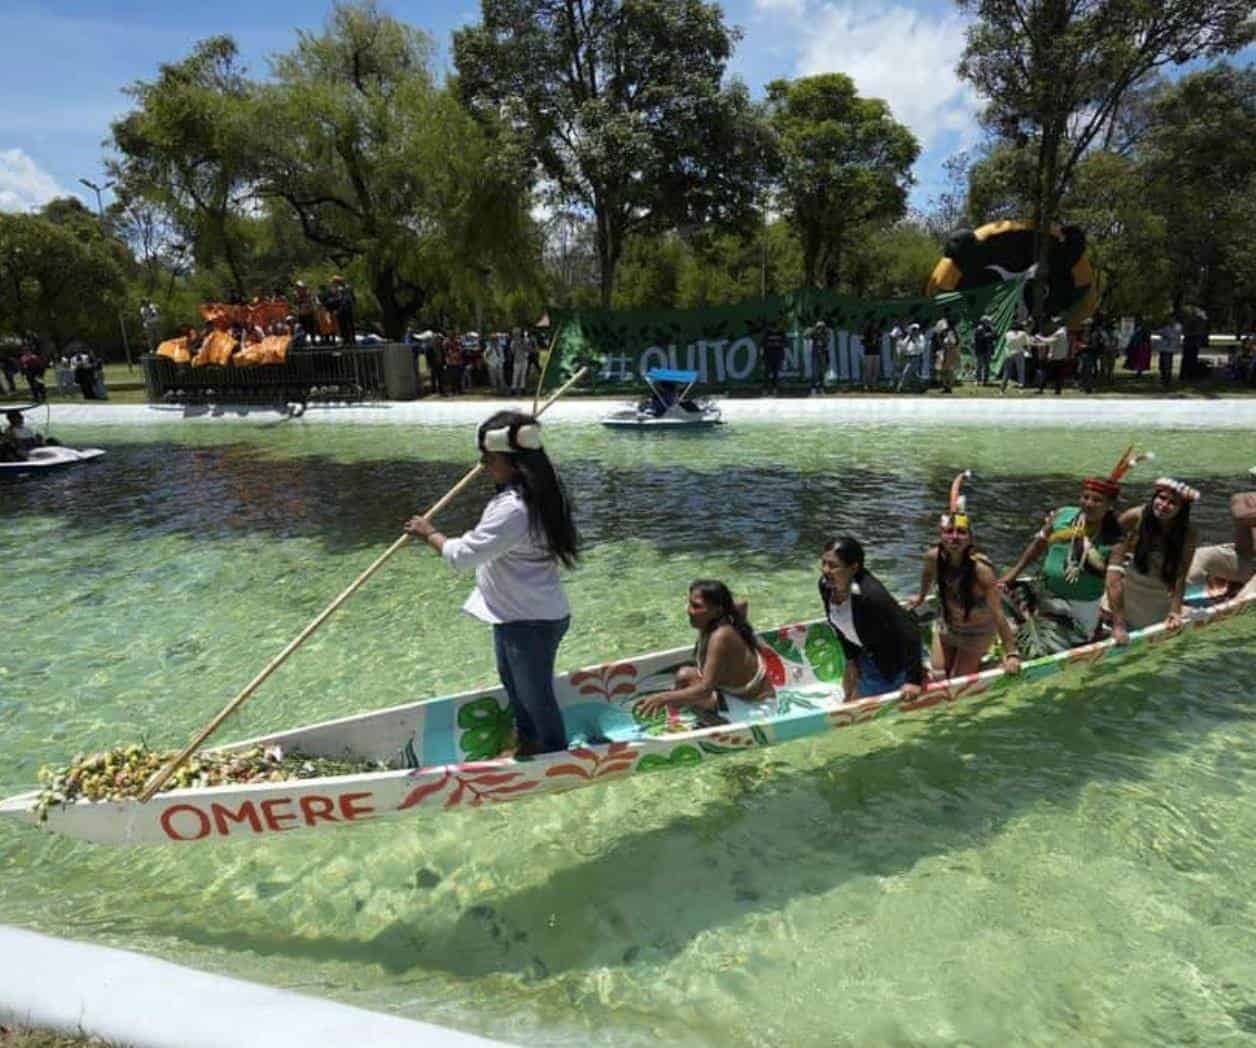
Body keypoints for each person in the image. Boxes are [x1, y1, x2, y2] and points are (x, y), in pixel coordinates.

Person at [404, 411, 581, 756]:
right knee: (515, 687)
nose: (483, 465)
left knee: (535, 696)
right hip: (517, 614)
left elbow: (463, 555)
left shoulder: (514, 509)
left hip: (530, 621)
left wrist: (430, 534)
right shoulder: (543, 491)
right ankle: (528, 742)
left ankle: (553, 753)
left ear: (513, 463)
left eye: (489, 459)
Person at [999, 446, 1149, 648]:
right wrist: (1013, 574)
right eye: (1085, 497)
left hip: (1080, 608)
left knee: (1045, 646)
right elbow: (1038, 545)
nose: (1088, 503)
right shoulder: (1062, 515)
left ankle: (1092, 629)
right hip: (1046, 594)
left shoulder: (1115, 538)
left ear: (1109, 505)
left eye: (1097, 500)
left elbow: (1113, 583)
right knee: (995, 595)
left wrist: (1119, 625)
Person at [905, 471, 1021, 680]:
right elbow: (927, 576)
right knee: (940, 675)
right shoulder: (933, 557)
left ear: (970, 539)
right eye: (949, 532)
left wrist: (1011, 653)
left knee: (959, 680)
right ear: (941, 536)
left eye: (961, 532)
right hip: (947, 626)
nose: (954, 537)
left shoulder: (981, 570)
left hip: (977, 631)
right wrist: (921, 597)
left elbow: (997, 613)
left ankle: (994, 664)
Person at [633, 580, 774, 719]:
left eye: (696, 606)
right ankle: (677, 715)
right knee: (684, 675)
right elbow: (742, 604)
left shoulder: (720, 637)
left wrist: (663, 698)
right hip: (736, 697)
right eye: (689, 604)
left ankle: (709, 725)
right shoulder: (723, 617)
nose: (689, 611)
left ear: (717, 610)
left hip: (757, 708)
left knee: (692, 690)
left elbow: (705, 690)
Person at [818, 536, 925, 701]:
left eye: (833, 566)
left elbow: (910, 629)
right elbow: (840, 625)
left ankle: (921, 673)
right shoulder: (826, 586)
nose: (825, 570)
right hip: (864, 651)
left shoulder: (871, 595)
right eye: (823, 563)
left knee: (852, 711)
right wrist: (852, 660)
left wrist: (913, 680)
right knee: (846, 692)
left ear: (853, 568)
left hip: (891, 660)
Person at [1102, 477, 1198, 644]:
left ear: (1182, 509)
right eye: (1161, 498)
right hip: (1129, 585)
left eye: (1172, 502)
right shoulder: (1135, 516)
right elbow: (1107, 540)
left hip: (1157, 593)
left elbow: (1180, 573)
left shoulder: (1188, 533)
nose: (1163, 505)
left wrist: (1175, 610)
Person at [1187, 480, 1256, 600]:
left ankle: (1234, 606)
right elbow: (1239, 511)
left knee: (1247, 595)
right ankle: (1166, 591)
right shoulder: (1244, 498)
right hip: (1246, 561)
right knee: (1203, 555)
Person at [1033, 316, 1070, 395]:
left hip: (1056, 358)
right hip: (1061, 357)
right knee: (1059, 375)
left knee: (1046, 373)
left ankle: (1041, 389)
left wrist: (1038, 337)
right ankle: (1057, 391)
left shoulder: (1059, 333)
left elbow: (1049, 341)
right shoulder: (1064, 331)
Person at [895, 323, 927, 392]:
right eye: (913, 330)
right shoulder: (908, 337)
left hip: (916, 357)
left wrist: (915, 340)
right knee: (914, 374)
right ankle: (923, 385)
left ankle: (901, 387)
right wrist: (909, 338)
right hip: (907, 357)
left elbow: (921, 348)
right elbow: (903, 347)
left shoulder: (921, 337)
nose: (915, 331)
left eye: (916, 330)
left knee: (906, 372)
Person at [1000, 319, 1030, 392]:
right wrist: (1028, 351)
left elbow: (1006, 341)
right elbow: (1026, 345)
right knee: (1020, 371)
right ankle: (1021, 388)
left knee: (1006, 371)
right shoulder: (1023, 333)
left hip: (1008, 353)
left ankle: (1002, 389)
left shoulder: (1007, 333)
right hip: (1019, 353)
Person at [805, 319, 831, 395]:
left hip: (823, 354)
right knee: (814, 372)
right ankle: (813, 388)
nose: (820, 328)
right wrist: (814, 328)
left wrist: (824, 329)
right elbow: (806, 336)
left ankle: (822, 388)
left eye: (821, 326)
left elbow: (828, 339)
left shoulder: (826, 332)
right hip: (815, 354)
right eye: (819, 326)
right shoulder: (814, 332)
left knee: (822, 372)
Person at [1157, 314, 1182, 388]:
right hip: (1163, 348)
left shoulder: (1178, 326)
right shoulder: (1166, 326)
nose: (1170, 320)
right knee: (1162, 365)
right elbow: (1160, 332)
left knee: (1167, 365)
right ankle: (1163, 379)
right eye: (1169, 319)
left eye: (1171, 319)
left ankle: (1166, 381)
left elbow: (1173, 336)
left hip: (1169, 348)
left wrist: (1165, 333)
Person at [330, 276, 356, 347]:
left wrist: (338, 311)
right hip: (348, 312)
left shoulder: (342, 290)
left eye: (333, 283)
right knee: (348, 328)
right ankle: (349, 341)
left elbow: (344, 301)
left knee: (345, 328)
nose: (332, 285)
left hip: (345, 313)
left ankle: (347, 342)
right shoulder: (347, 288)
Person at [761, 321, 786, 394]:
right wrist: (762, 358)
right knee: (766, 374)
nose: (775, 329)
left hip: (777, 356)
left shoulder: (781, 333)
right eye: (773, 328)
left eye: (776, 327)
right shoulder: (767, 333)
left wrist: (782, 357)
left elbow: (785, 344)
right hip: (768, 357)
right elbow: (762, 346)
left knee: (776, 373)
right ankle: (765, 389)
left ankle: (775, 389)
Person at [972, 315, 996, 386]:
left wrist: (992, 331)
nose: (989, 322)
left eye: (989, 321)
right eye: (987, 321)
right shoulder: (979, 329)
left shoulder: (990, 328)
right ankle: (978, 380)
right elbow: (979, 338)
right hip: (980, 350)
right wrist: (988, 335)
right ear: (983, 322)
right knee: (979, 366)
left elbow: (995, 336)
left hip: (987, 349)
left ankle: (985, 380)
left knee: (987, 366)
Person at [510, 327, 529, 393]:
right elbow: (512, 351)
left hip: (524, 359)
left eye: (518, 333)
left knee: (523, 375)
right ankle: (513, 388)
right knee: (515, 375)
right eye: (516, 333)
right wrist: (516, 344)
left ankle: (522, 387)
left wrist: (523, 344)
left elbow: (527, 349)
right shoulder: (513, 342)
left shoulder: (524, 340)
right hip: (517, 360)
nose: (517, 334)